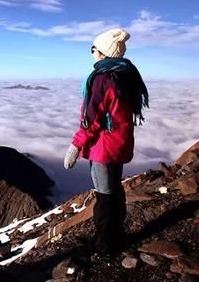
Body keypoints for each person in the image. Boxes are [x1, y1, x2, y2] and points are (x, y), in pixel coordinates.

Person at [63, 28, 149, 258]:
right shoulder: (126, 74)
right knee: (115, 190)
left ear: (102, 53)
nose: (92, 53)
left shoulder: (103, 78)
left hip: (103, 146)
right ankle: (117, 235)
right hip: (120, 142)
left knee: (104, 196)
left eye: (94, 49)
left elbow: (93, 118)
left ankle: (105, 246)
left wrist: (75, 145)